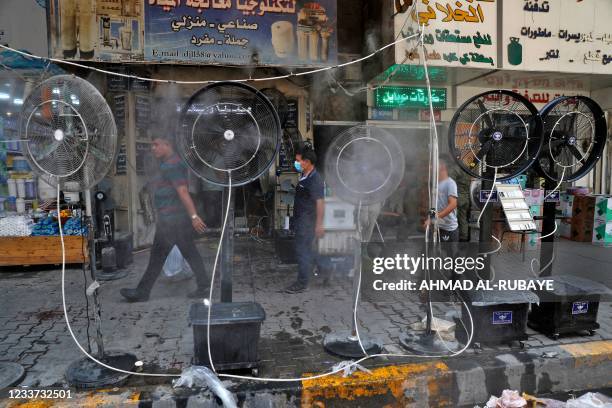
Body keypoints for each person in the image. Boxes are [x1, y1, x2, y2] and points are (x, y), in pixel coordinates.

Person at [120, 135, 210, 302]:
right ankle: (203, 286)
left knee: (160, 256)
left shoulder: (172, 165)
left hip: (173, 220)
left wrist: (194, 216)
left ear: (167, 144)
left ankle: (143, 292)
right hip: (172, 220)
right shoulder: (170, 163)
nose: (153, 148)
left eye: (156, 144)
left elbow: (182, 191)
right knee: (187, 253)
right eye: (152, 145)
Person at [285, 147, 325, 293]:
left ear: (307, 162)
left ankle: (302, 283)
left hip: (307, 223)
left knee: (303, 252)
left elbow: (320, 202)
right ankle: (325, 271)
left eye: (298, 160)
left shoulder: (315, 179)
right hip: (302, 220)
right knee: (308, 251)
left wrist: (319, 225)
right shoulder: (305, 175)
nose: (296, 163)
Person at [425, 157, 459, 243]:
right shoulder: (435, 184)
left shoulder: (450, 183)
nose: (431, 167)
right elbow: (433, 204)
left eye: (434, 164)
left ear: (442, 167)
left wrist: (435, 218)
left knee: (450, 256)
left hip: (449, 229)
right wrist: (432, 219)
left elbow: (453, 204)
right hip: (437, 227)